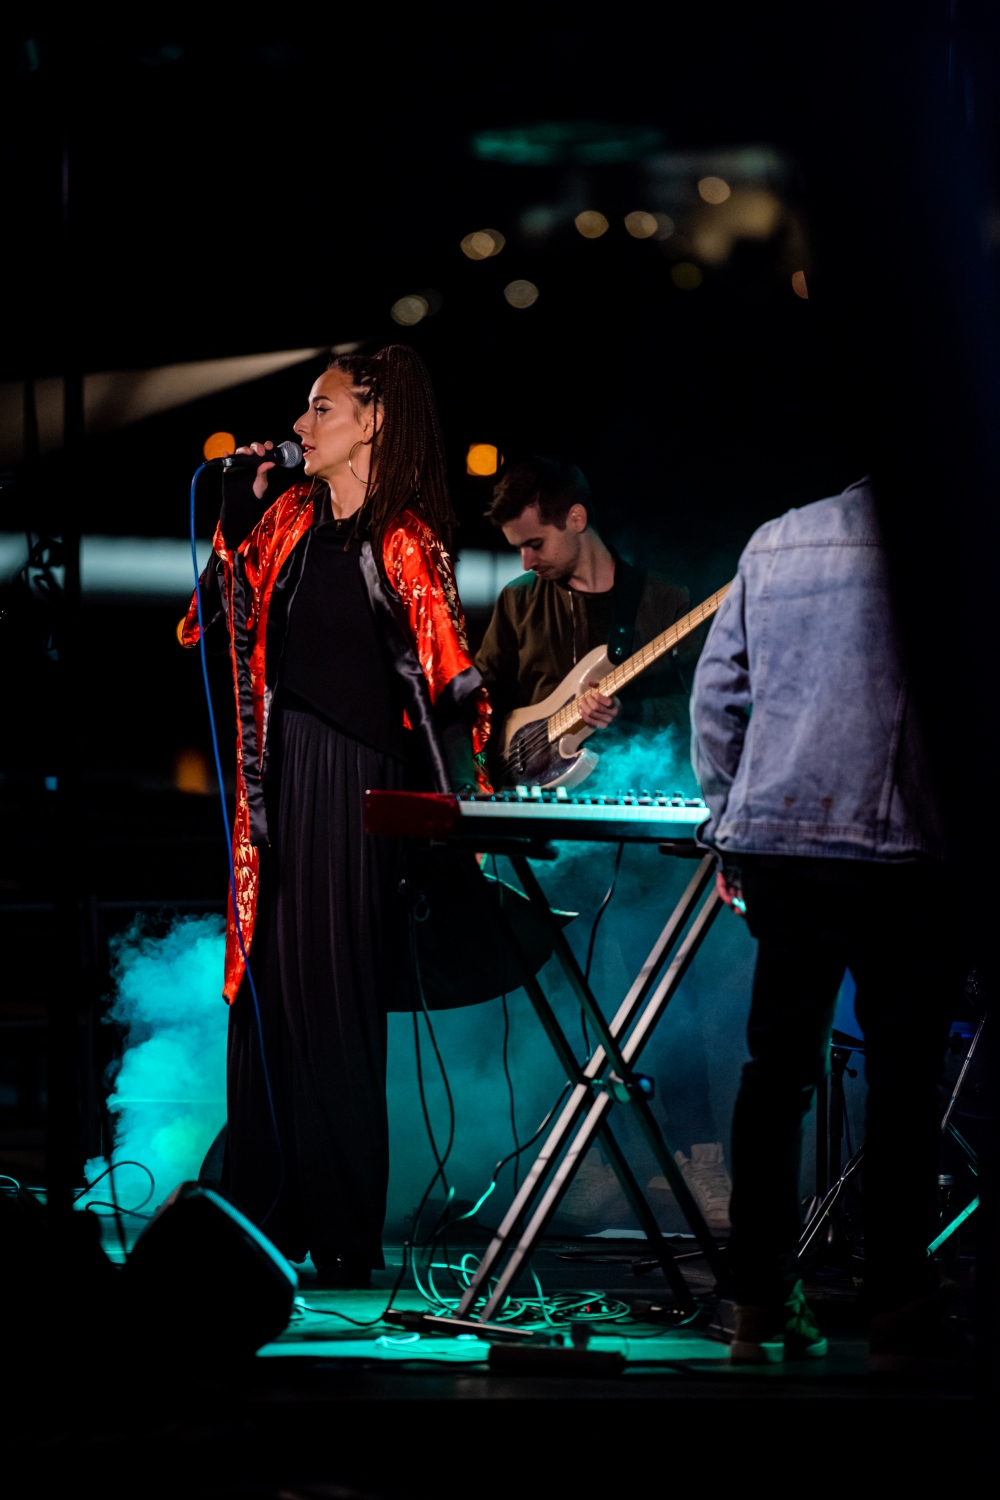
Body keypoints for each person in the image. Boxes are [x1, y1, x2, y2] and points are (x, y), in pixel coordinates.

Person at [182, 346, 490, 1286]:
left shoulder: (405, 538)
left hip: (357, 790)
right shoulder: (286, 519)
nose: (301, 426)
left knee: (335, 999)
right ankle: (262, 1221)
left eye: (322, 408)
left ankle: (344, 1232)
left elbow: (451, 680)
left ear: (374, 421)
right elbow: (206, 625)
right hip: (275, 787)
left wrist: (463, 805)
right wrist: (235, 530)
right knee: (268, 999)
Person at [691, 476, 966, 1369]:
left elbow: (716, 696)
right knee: (903, 1085)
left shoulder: (778, 537)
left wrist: (728, 822)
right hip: (906, 852)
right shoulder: (954, 540)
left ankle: (758, 1303)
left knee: (775, 1076)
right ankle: (898, 1310)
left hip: (782, 845)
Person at [475, 454, 731, 1232]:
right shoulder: (519, 606)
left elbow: (706, 715)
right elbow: (484, 716)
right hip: (553, 845)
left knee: (663, 1002)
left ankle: (700, 1159)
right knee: (572, 1007)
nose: (526, 561)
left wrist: (629, 721)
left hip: (644, 840)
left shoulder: (667, 603)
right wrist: (513, 759)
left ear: (576, 520)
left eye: (535, 543)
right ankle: (594, 1161)